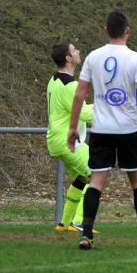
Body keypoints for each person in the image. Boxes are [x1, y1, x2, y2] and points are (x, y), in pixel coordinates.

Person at [68, 9, 137, 250]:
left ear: (106, 31)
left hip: (102, 129)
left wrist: (73, 128)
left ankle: (86, 236)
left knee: (96, 182)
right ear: (127, 31)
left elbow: (80, 93)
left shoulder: (93, 57)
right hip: (128, 129)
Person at [47, 40, 94, 233]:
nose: (78, 51)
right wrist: (107, 106)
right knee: (96, 173)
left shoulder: (54, 80)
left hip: (56, 139)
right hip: (66, 139)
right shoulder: (70, 84)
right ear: (68, 57)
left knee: (82, 178)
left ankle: (64, 223)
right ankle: (79, 222)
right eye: (74, 50)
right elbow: (84, 114)